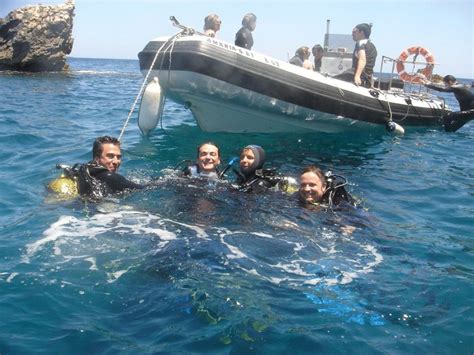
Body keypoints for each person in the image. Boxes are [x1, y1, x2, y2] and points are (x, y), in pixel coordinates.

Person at [76, 136, 144, 200]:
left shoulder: (87, 171)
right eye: (110, 156)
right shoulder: (110, 177)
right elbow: (143, 189)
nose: (116, 161)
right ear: (97, 159)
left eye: (118, 157)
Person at [334, 23, 377, 87]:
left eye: (354, 32)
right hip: (366, 80)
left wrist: (357, 76)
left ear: (361, 32)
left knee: (333, 80)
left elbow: (362, 60)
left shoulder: (360, 43)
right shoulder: (373, 47)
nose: (352, 34)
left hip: (356, 76)